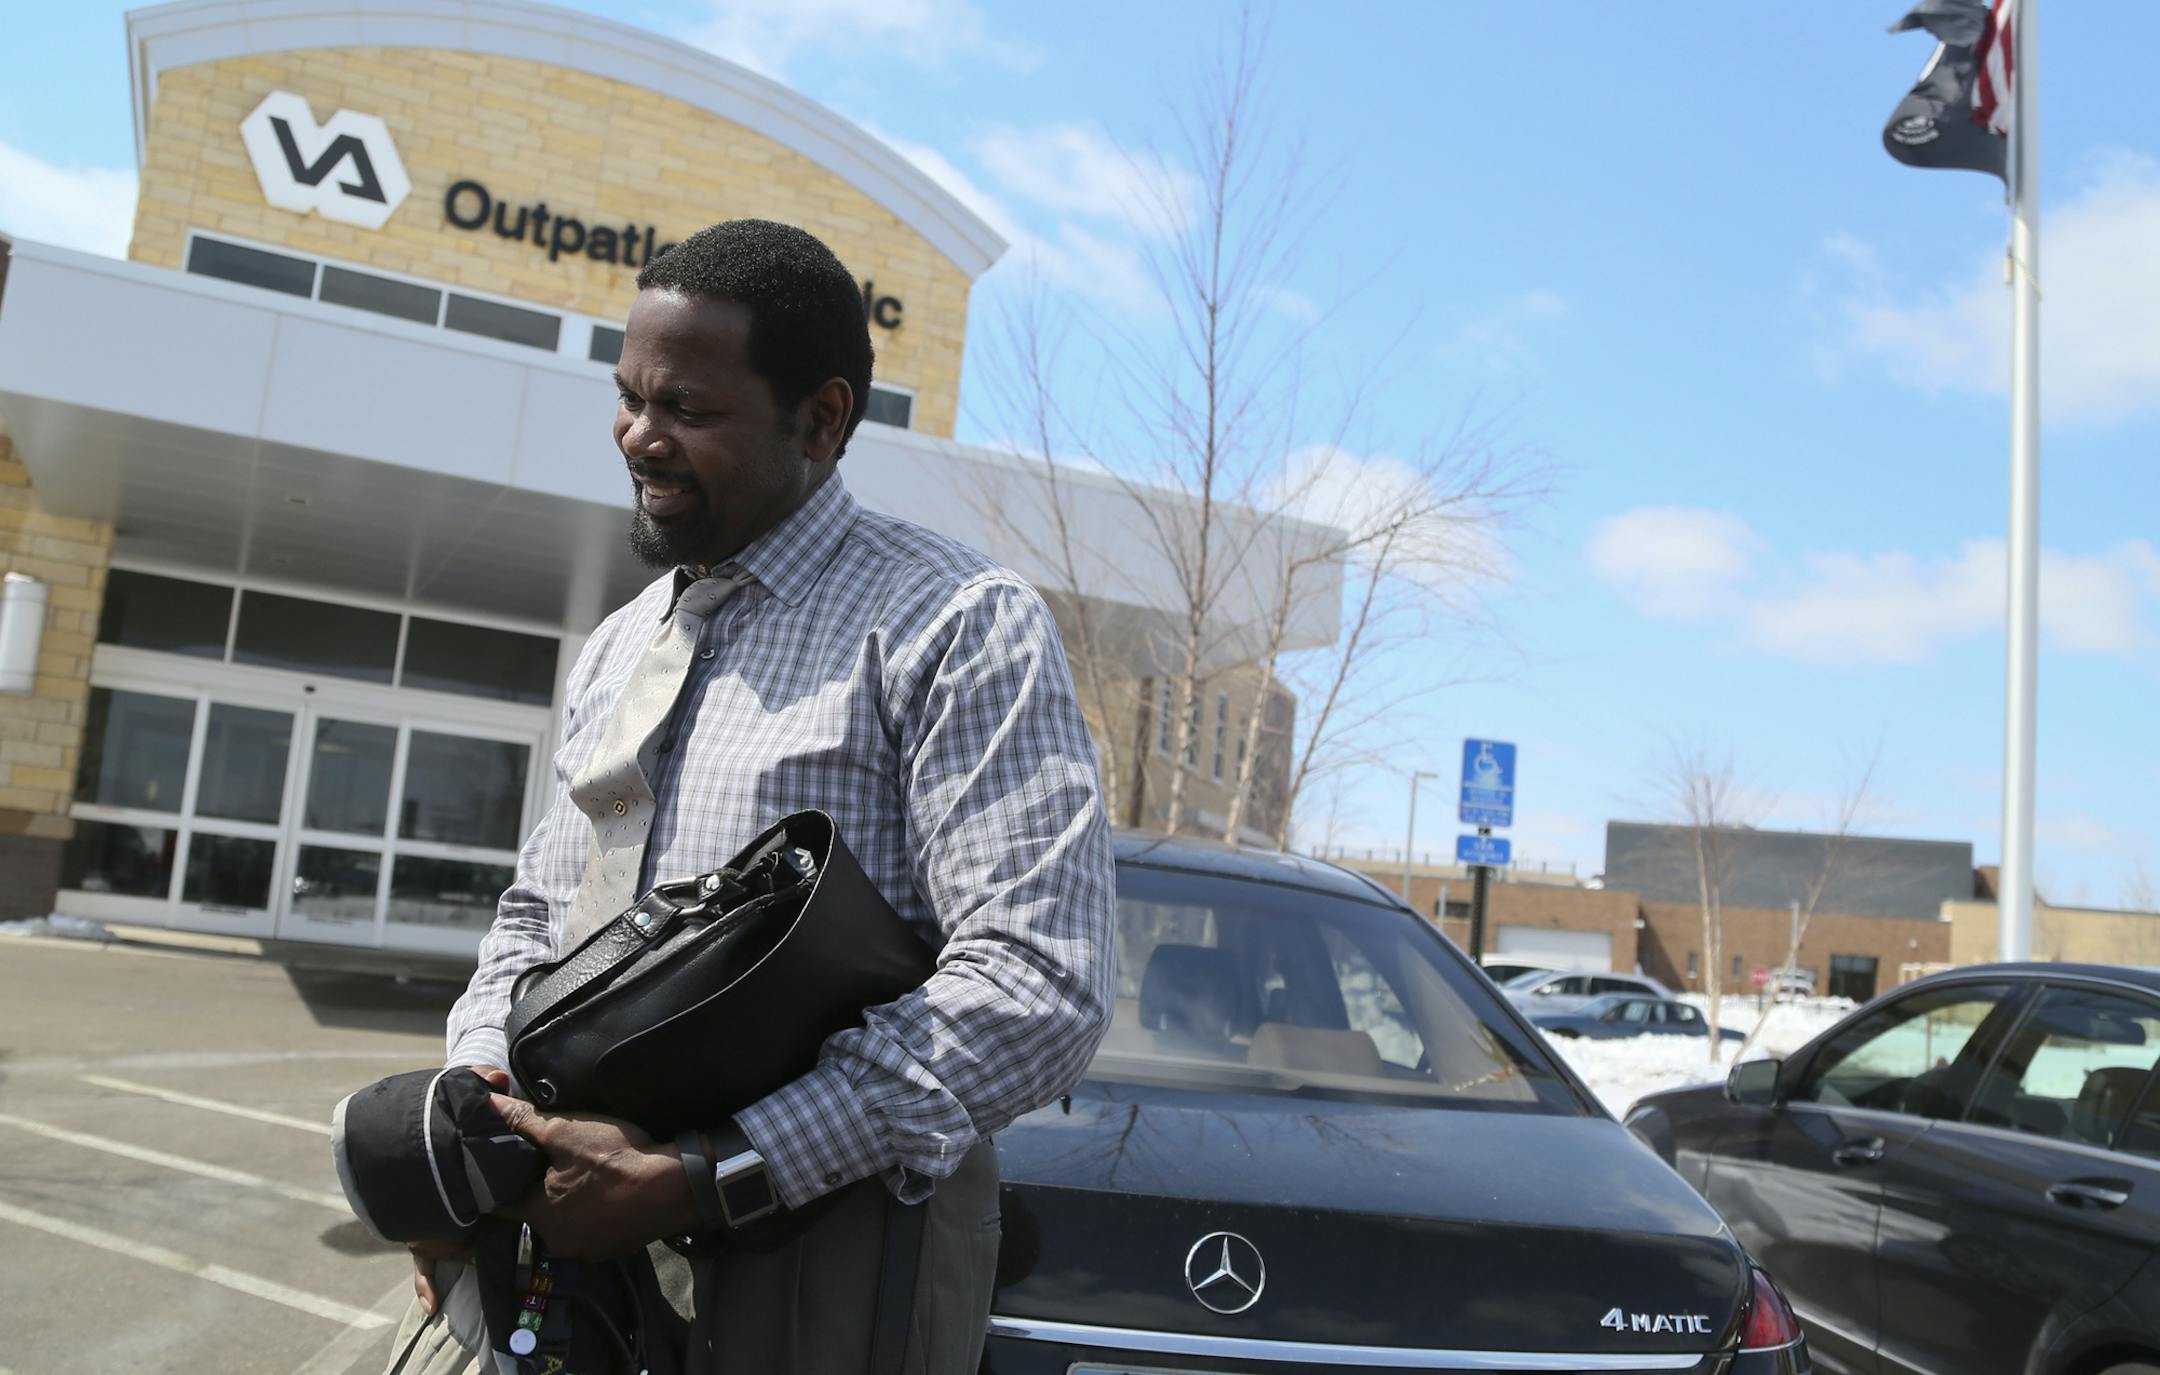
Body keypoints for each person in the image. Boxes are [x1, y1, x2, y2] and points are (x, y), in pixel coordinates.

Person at [393, 218, 1116, 1374]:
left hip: (824, 1275)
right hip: (573, 1255)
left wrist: (710, 1171)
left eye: (687, 408)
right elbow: (539, 916)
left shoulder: (955, 626)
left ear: (821, 419)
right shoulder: (623, 645)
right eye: (628, 397)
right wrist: (477, 1114)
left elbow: (1041, 983)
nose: (639, 436)